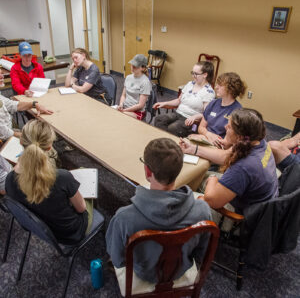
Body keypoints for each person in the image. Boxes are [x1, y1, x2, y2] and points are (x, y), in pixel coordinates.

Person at [106, 138, 211, 282]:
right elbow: (203, 252)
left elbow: (118, 260)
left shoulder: (124, 218)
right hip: (180, 270)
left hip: (143, 274)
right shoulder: (203, 210)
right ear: (179, 169)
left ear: (148, 172)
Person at [5, 120, 93, 244]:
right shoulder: (62, 177)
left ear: (21, 141)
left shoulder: (9, 180)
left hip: (44, 232)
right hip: (72, 233)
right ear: (49, 147)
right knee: (86, 176)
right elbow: (81, 209)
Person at [188, 109, 278, 218]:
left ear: (240, 137)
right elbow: (224, 156)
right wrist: (193, 149)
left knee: (184, 194)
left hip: (242, 213)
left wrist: (212, 178)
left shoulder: (244, 166)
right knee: (198, 177)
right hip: (261, 204)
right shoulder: (258, 141)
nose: (225, 127)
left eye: (229, 127)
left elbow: (212, 200)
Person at [153, 62, 215, 137]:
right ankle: (164, 142)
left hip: (190, 119)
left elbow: (206, 114)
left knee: (173, 128)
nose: (193, 76)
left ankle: (166, 144)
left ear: (205, 75)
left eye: (196, 74)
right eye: (192, 73)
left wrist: (194, 117)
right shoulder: (190, 84)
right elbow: (179, 101)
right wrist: (164, 103)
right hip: (178, 113)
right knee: (159, 119)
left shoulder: (209, 92)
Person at [189, 72, 245, 148]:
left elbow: (230, 142)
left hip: (220, 145)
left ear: (231, 89)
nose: (216, 87)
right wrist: (208, 135)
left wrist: (212, 140)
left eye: (220, 85)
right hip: (205, 138)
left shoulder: (237, 111)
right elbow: (201, 127)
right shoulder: (213, 103)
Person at [117, 54, 152, 120]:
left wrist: (125, 110)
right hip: (125, 108)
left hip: (137, 112)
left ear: (143, 68)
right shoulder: (128, 77)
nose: (132, 67)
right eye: (132, 64)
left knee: (120, 116)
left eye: (135, 66)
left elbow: (140, 105)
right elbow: (123, 95)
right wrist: (121, 104)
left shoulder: (145, 82)